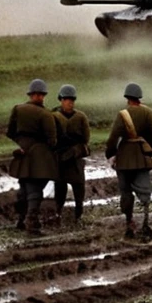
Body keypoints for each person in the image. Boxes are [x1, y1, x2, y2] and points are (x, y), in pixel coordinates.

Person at [105, 82, 152, 241]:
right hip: (142, 157)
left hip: (124, 158)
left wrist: (110, 153)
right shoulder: (149, 112)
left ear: (127, 98)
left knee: (125, 192)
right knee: (144, 191)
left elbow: (113, 137)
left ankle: (129, 223)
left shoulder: (123, 115)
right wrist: (149, 147)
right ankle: (146, 222)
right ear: (139, 97)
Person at [6, 78, 59, 236]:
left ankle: (21, 220)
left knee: (24, 188)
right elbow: (52, 140)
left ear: (30, 94)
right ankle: (32, 225)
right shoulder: (46, 115)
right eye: (41, 95)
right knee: (35, 191)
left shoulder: (18, 109)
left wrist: (21, 144)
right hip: (39, 157)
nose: (40, 97)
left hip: (22, 154)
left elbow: (10, 132)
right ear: (42, 95)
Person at [51, 84, 91, 225]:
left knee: (79, 188)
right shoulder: (54, 116)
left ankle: (78, 215)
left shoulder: (81, 117)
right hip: (61, 158)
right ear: (61, 100)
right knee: (60, 188)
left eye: (72, 100)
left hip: (75, 158)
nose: (70, 102)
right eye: (67, 99)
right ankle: (58, 214)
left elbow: (86, 138)